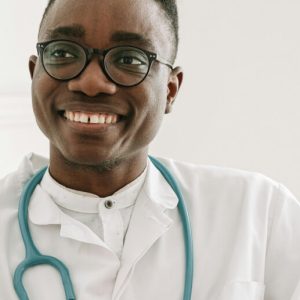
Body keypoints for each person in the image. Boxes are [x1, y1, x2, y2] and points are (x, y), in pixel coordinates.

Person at [1, 0, 300, 299]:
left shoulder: (260, 213)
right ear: (34, 73)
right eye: (63, 52)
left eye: (129, 59)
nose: (91, 82)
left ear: (170, 90)